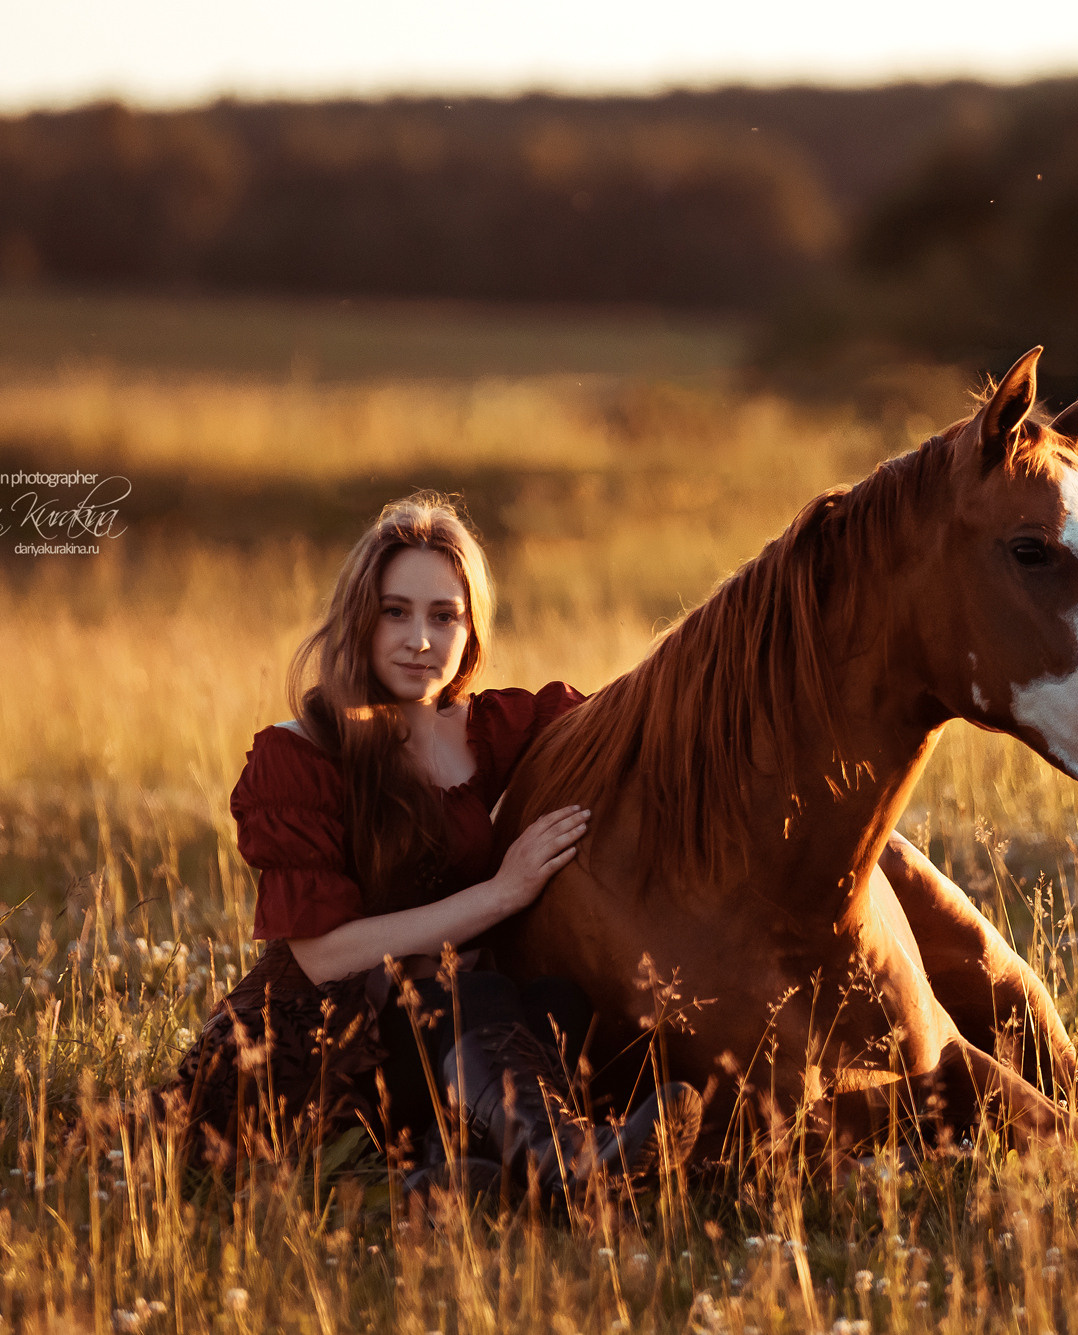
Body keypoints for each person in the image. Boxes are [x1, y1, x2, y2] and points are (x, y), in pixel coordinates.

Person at [158, 493, 700, 1201]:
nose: (420, 639)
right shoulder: (301, 754)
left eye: (444, 615)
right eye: (396, 612)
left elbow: (630, 725)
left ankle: (457, 1178)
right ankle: (564, 1167)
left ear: (470, 629)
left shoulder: (496, 728)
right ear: (360, 618)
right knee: (467, 996)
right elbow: (322, 953)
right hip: (320, 1051)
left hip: (436, 1049)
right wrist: (501, 892)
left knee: (556, 1000)